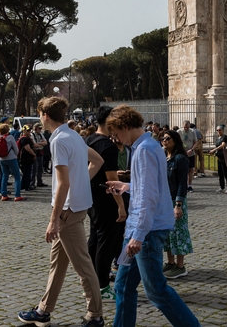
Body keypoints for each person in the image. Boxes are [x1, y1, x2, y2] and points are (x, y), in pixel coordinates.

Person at [103, 105, 201, 327]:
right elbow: (151, 186)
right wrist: (127, 186)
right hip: (142, 228)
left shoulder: (144, 150)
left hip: (145, 231)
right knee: (123, 287)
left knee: (156, 291)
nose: (116, 139)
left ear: (125, 126)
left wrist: (138, 236)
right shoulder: (149, 146)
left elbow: (149, 196)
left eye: (116, 134)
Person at [18, 96, 106, 327]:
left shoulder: (58, 141)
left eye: (39, 114)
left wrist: (53, 220)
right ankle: (43, 310)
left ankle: (95, 315)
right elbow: (97, 160)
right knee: (57, 264)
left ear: (44, 115)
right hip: (77, 206)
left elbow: (63, 184)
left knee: (83, 267)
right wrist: (82, 183)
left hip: (68, 211)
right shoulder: (74, 135)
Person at [84, 106, 127, 303]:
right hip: (106, 198)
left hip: (90, 196)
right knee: (106, 243)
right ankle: (101, 285)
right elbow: (111, 180)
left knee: (94, 239)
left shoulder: (90, 140)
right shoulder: (108, 146)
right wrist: (121, 205)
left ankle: (91, 282)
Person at [160, 129, 193, 279]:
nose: (164, 141)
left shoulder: (180, 159)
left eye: (167, 138)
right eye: (163, 139)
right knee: (168, 233)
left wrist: (178, 204)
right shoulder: (165, 157)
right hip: (166, 200)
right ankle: (170, 262)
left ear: (175, 140)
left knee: (178, 233)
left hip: (176, 200)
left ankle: (180, 266)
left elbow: (182, 183)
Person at [0, 123, 24, 201]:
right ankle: (17, 195)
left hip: (1, 159)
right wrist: (15, 155)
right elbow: (16, 149)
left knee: (4, 176)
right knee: (17, 177)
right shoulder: (10, 137)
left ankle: (4, 194)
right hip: (11, 158)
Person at [209, 125, 227, 193]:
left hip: (224, 157)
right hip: (219, 157)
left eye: (220, 130)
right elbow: (218, 147)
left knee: (225, 173)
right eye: (217, 130)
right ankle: (222, 187)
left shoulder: (224, 137)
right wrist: (214, 152)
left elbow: (223, 145)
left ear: (222, 130)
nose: (218, 131)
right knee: (220, 173)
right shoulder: (218, 138)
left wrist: (214, 150)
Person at [179, 121, 198, 192]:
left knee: (190, 170)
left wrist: (191, 150)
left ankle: (189, 185)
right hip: (182, 153)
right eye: (184, 127)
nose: (186, 128)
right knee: (182, 170)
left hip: (190, 153)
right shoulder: (179, 132)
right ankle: (183, 184)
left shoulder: (192, 132)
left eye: (187, 127)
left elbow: (196, 142)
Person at [17, 126, 37, 191]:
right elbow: (27, 148)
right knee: (26, 173)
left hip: (29, 158)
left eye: (29, 130)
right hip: (25, 158)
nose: (29, 132)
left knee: (28, 172)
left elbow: (33, 145)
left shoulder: (28, 138)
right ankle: (24, 186)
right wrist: (34, 154)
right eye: (27, 130)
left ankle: (27, 185)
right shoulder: (24, 139)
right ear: (24, 131)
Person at [32, 123, 49, 187]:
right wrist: (41, 144)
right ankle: (32, 182)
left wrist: (38, 144)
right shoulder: (32, 135)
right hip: (35, 152)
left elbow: (46, 142)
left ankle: (39, 181)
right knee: (34, 168)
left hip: (40, 152)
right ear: (35, 128)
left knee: (40, 168)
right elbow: (34, 144)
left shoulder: (41, 134)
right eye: (39, 128)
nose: (40, 130)